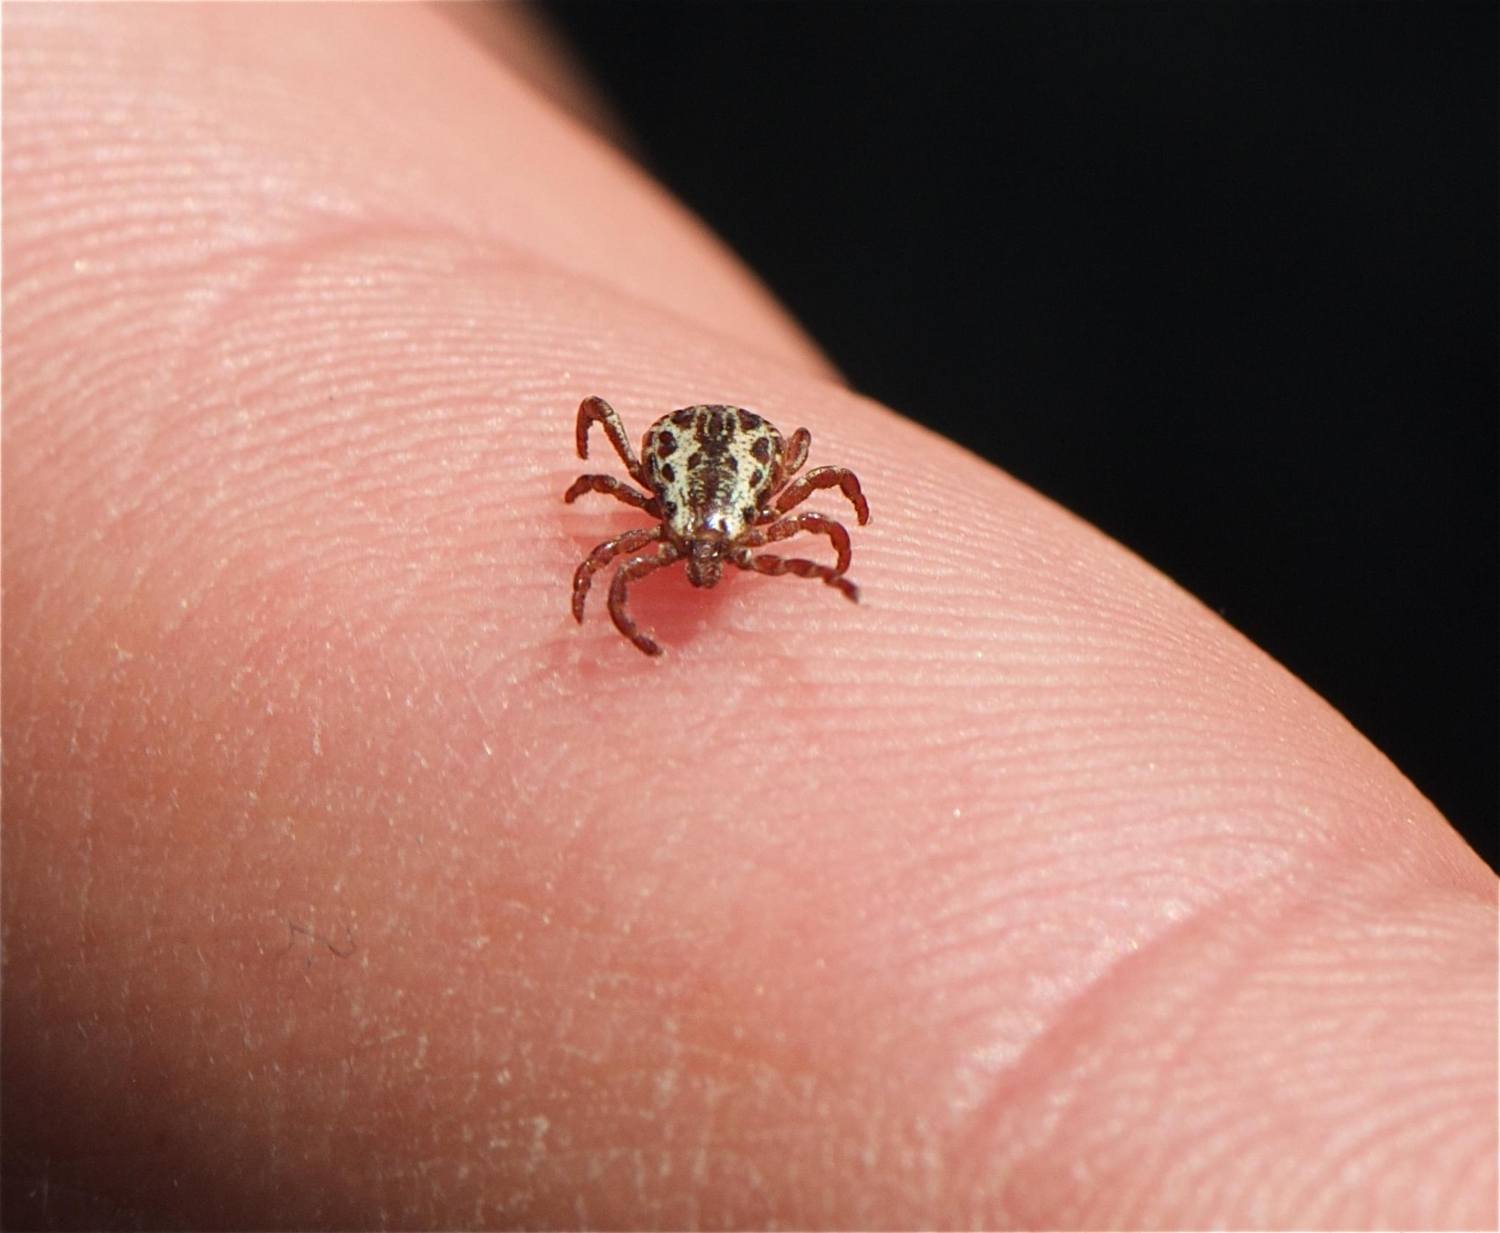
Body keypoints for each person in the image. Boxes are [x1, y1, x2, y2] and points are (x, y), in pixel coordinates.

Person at [2, 5, 1493, 1228]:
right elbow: (628, 526)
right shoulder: (644, 512)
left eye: (716, 555)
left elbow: (826, 493)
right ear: (675, 503)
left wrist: (816, 565)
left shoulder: (762, 506)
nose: (701, 573)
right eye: (696, 557)